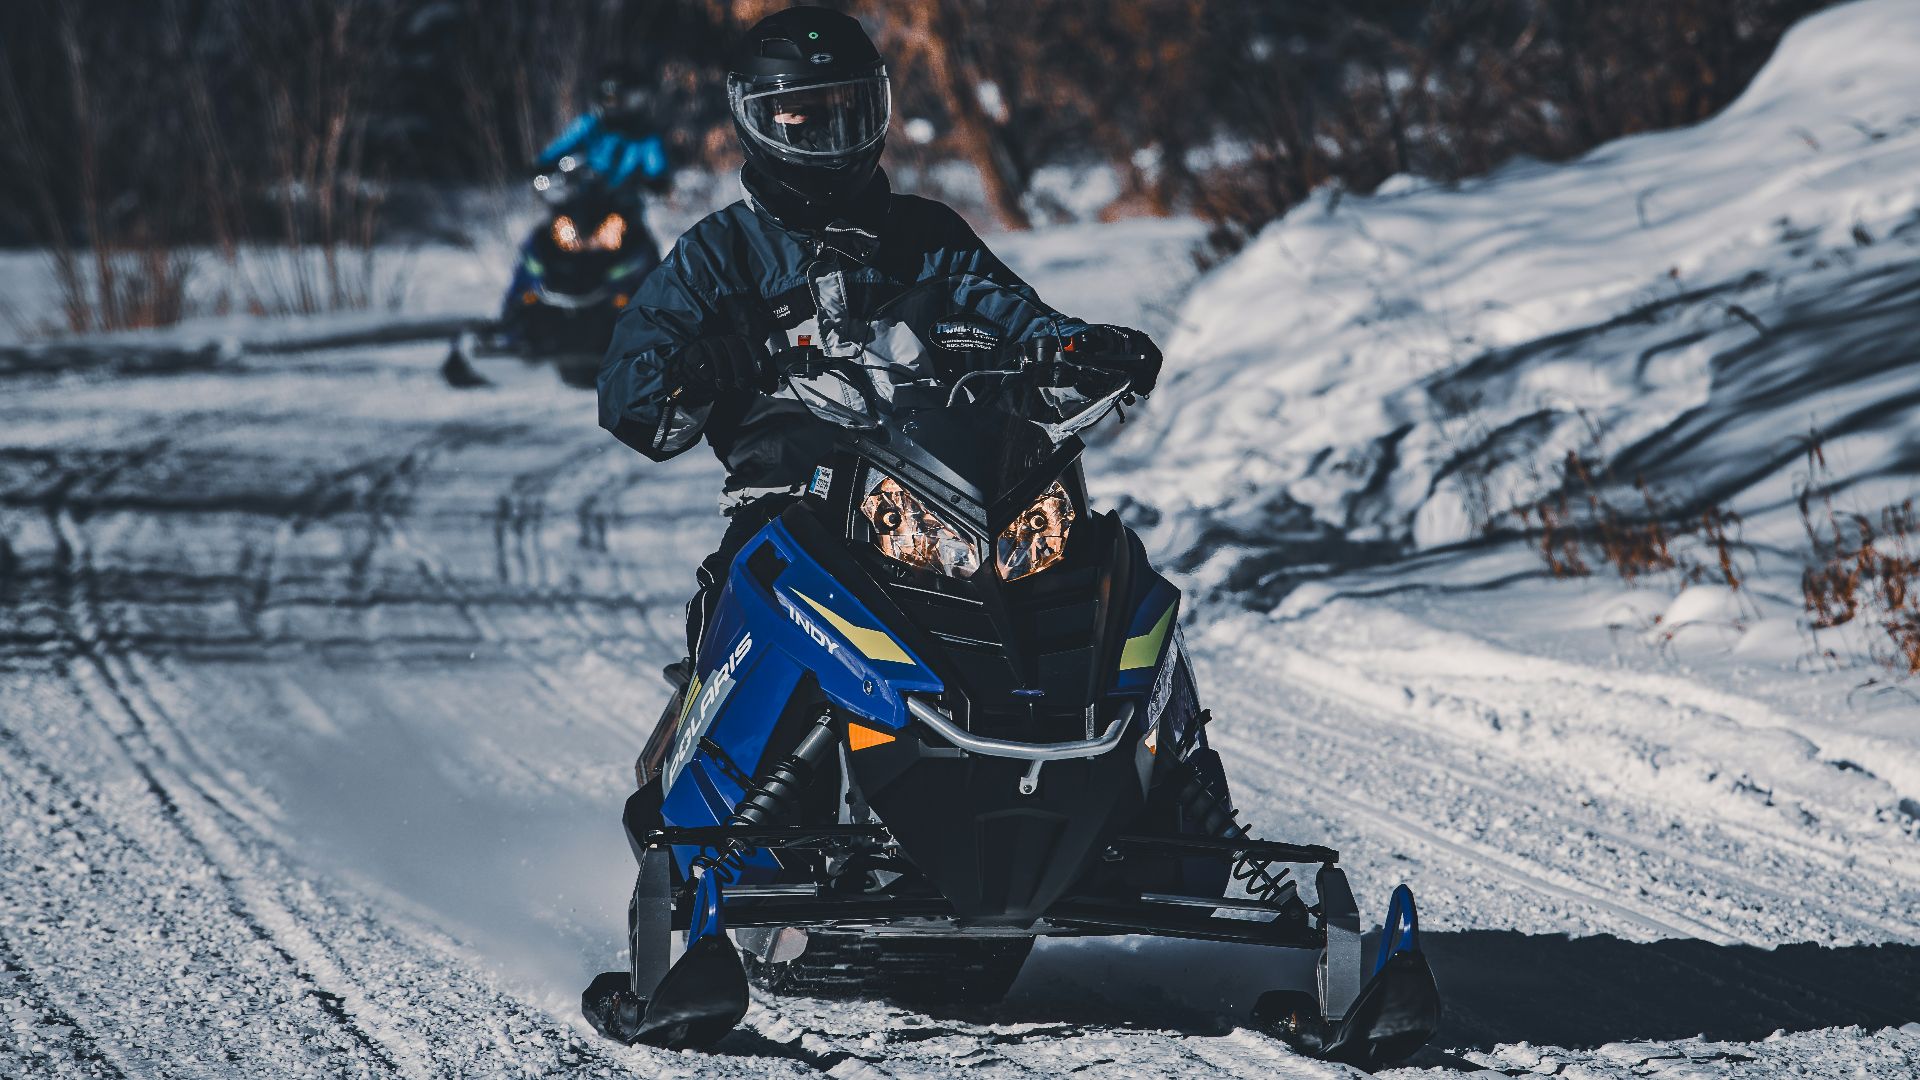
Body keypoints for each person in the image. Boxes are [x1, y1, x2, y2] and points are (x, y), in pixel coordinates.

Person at [596, 6, 1163, 673]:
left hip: (952, 494)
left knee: (1110, 574)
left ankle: (1163, 761)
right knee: (737, 599)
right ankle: (703, 758)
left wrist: (1082, 350)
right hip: (799, 503)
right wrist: (692, 366)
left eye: (849, 109)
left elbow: (1016, 316)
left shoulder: (929, 236)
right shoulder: (717, 255)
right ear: (758, 119)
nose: (832, 135)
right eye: (804, 115)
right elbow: (630, 391)